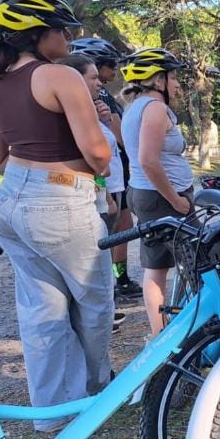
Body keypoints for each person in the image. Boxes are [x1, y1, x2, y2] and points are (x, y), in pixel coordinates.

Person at [0, 0, 113, 430]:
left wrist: (30, 169)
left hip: (11, 202)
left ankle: (53, 412)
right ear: (38, 34)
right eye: (62, 29)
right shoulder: (60, 77)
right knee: (94, 304)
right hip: (61, 198)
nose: (70, 38)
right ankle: (97, 394)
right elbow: (99, 154)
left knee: (42, 313)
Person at [120, 47, 194, 336]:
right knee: (196, 262)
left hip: (145, 194)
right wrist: (175, 199)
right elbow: (147, 159)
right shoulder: (154, 108)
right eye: (173, 77)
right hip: (164, 199)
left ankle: (160, 335)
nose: (177, 84)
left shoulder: (133, 108)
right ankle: (197, 331)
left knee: (156, 267)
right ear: (158, 80)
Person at [57, 54, 128, 332]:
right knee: (92, 261)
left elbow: (114, 148)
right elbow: (95, 161)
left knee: (103, 254)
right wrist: (105, 193)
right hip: (97, 194)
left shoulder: (96, 109)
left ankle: (105, 310)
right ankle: (95, 320)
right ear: (76, 79)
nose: (99, 83)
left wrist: (106, 120)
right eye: (93, 77)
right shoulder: (77, 114)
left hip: (112, 187)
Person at [70, 36, 143, 300]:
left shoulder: (105, 98)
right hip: (102, 179)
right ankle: (101, 288)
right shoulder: (82, 102)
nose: (113, 73)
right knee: (103, 233)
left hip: (118, 173)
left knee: (122, 227)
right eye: (110, 65)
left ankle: (119, 277)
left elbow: (118, 135)